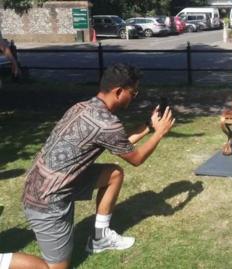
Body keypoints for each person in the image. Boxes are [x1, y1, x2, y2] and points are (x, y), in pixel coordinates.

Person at [0, 63, 175, 269]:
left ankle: (100, 238)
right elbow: (136, 159)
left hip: (50, 182)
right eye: (133, 92)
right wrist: (159, 133)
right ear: (119, 91)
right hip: (47, 199)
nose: (134, 96)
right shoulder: (108, 123)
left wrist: (148, 126)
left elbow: (121, 144)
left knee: (113, 174)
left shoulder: (82, 106)